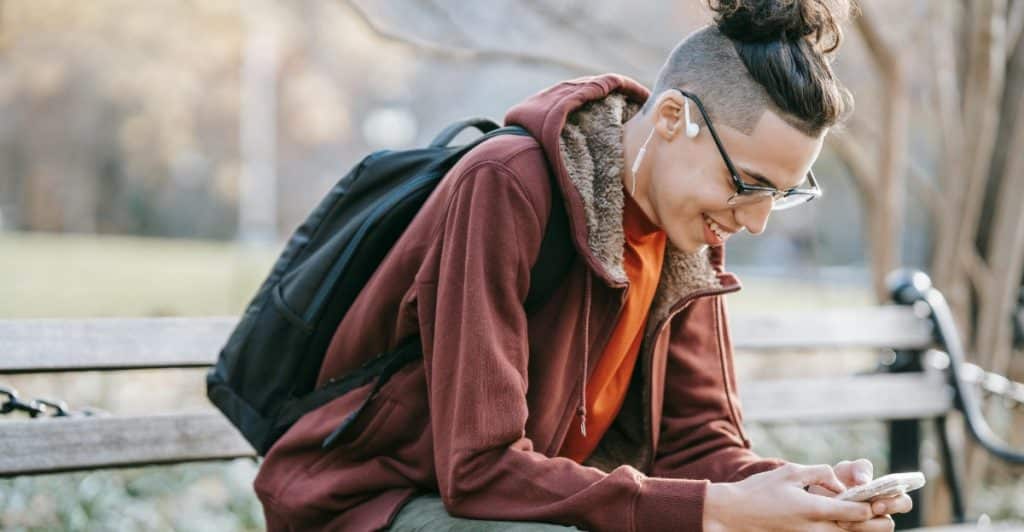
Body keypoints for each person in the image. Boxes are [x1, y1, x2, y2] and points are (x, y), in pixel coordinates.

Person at [253, 0, 914, 530]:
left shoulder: (688, 227)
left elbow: (695, 445)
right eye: (747, 183)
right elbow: (479, 469)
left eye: (782, 192)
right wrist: (716, 510)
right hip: (372, 501)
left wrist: (798, 492)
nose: (756, 218)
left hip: (533, 501)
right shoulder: (508, 186)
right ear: (673, 118)